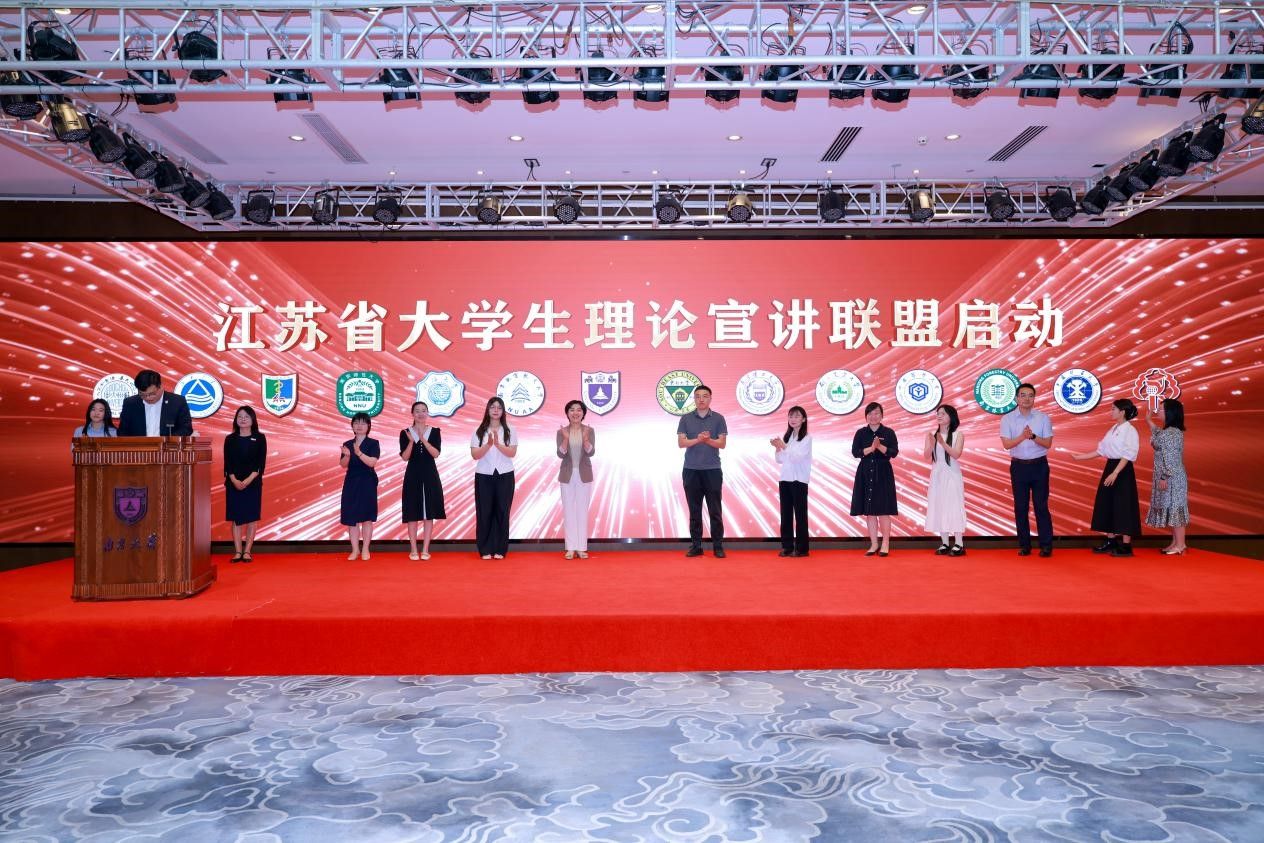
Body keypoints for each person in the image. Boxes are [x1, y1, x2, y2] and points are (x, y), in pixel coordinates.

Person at [1073, 398, 1142, 556]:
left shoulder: (1130, 430)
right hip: (1110, 466)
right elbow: (1101, 450)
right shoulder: (1113, 428)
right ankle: (1111, 541)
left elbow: (1128, 454)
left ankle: (1126, 546)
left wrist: (1116, 472)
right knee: (1107, 503)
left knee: (1124, 505)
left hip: (1123, 470)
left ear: (1122, 412)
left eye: (1113, 409)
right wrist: (1080, 457)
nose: (1111, 411)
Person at [1000, 382, 1054, 557]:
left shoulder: (1043, 418)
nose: (1027, 399)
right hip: (1018, 467)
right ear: (1017, 398)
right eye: (1023, 395)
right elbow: (1007, 444)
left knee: (1041, 506)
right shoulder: (1007, 419)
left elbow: (1048, 443)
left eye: (1030, 395)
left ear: (1034, 398)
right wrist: (1023, 436)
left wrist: (1033, 436)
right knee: (1020, 507)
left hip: (1039, 466)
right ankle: (1024, 545)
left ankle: (1046, 545)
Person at [677, 384, 728, 558]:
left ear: (710, 398)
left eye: (705, 396)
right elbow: (681, 443)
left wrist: (707, 441)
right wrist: (698, 440)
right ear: (694, 399)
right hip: (691, 470)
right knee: (694, 510)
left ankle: (718, 546)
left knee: (715, 510)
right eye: (698, 396)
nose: (701, 399)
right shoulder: (685, 418)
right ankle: (696, 546)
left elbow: (722, 444)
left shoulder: (719, 418)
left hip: (712, 470)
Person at [470, 396, 517, 560]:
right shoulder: (479, 430)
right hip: (484, 475)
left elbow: (512, 453)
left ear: (503, 411)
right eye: (492, 407)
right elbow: (475, 455)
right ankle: (485, 549)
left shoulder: (510, 430)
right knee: (484, 511)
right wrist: (488, 445)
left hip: (505, 474)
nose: (496, 410)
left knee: (503, 511)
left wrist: (497, 444)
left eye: (499, 407)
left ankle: (500, 549)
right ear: (488, 410)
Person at [851, 401, 900, 556]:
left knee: (884, 511)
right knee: (870, 512)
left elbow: (894, 452)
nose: (873, 416)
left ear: (882, 415)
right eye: (870, 413)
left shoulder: (889, 432)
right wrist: (871, 448)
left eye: (876, 413)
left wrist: (879, 447)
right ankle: (874, 544)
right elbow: (855, 452)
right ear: (866, 416)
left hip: (883, 473)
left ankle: (885, 543)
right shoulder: (860, 433)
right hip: (865, 472)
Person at [399, 401, 445, 561]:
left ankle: (425, 549)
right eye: (417, 411)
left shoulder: (435, 431)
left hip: (430, 474)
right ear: (412, 413)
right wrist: (412, 441)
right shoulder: (405, 432)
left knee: (429, 512)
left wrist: (422, 439)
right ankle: (413, 549)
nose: (420, 413)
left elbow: (435, 454)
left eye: (423, 410)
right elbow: (405, 457)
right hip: (412, 475)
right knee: (412, 512)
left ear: (427, 413)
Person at [1145, 398, 1189, 555]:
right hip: (1171, 476)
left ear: (1170, 413)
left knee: (1176, 508)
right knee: (1172, 508)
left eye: (1162, 409)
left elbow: (1171, 458)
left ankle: (1181, 545)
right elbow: (1158, 435)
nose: (1158, 411)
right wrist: (1149, 420)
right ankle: (1176, 543)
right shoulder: (1170, 432)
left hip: (1172, 477)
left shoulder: (1171, 433)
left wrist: (1164, 476)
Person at [224, 406, 266, 563]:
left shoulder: (260, 438)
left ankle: (247, 551)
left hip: (253, 483)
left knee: (251, 517)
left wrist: (248, 480)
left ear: (253, 420)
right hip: (233, 483)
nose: (242, 419)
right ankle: (237, 551)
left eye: (246, 416)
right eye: (240, 416)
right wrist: (234, 480)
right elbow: (227, 463)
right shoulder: (230, 439)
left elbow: (260, 464)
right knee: (236, 518)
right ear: (235, 419)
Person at [923, 404, 967, 556]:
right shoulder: (931, 434)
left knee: (954, 506)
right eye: (938, 413)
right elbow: (926, 455)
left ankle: (959, 543)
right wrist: (932, 444)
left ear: (951, 416)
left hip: (952, 474)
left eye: (943, 413)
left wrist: (942, 443)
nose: (939, 416)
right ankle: (945, 543)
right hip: (937, 474)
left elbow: (956, 454)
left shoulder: (958, 434)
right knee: (939, 505)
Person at [770, 405, 812, 557]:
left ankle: (802, 549)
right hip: (785, 479)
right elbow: (780, 460)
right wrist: (777, 448)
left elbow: (797, 457)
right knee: (785, 514)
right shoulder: (787, 437)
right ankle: (787, 546)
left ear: (804, 419)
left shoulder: (807, 438)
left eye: (797, 416)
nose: (793, 419)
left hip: (799, 480)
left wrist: (783, 446)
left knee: (800, 515)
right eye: (791, 416)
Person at [556, 399, 596, 559]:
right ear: (567, 413)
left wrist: (585, 439)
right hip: (567, 475)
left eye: (579, 410)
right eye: (572, 410)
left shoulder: (589, 430)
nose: (575, 413)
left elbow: (591, 452)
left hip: (584, 474)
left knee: (581, 510)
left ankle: (581, 547)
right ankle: (570, 548)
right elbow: (560, 454)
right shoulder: (561, 431)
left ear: (583, 413)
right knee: (569, 511)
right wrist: (566, 439)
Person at [339, 412, 380, 561]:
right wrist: (347, 455)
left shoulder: (373, 443)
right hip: (351, 482)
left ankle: (365, 549)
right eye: (356, 423)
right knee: (352, 517)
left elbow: (372, 462)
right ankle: (355, 549)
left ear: (368, 426)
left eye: (363, 423)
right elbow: (343, 465)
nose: (359, 426)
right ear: (352, 426)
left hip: (367, 482)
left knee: (367, 517)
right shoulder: (347, 444)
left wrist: (359, 453)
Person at [117, 369, 194, 437]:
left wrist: (166, 441)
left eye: (152, 394)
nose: (148, 398)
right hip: (139, 448)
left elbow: (186, 429)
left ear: (161, 386)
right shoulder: (130, 403)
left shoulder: (177, 402)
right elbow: (123, 432)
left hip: (167, 447)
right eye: (142, 395)